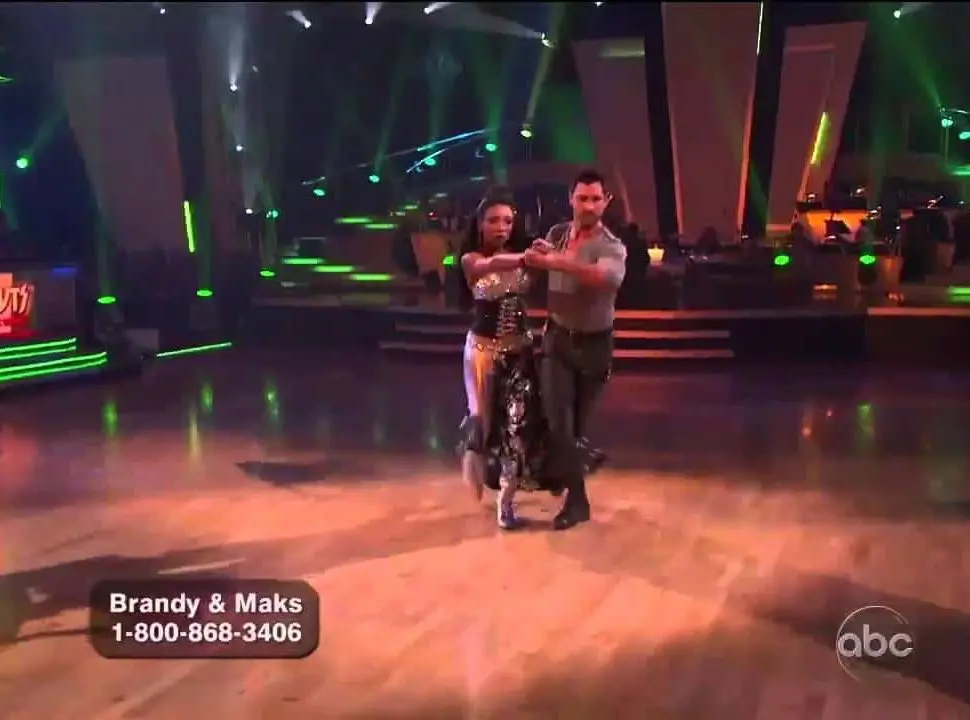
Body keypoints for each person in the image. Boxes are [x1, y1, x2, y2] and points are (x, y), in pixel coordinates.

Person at [523, 169, 626, 530]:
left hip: (595, 346)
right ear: (571, 199)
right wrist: (535, 259)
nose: (589, 206)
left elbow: (606, 278)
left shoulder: (612, 245)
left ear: (606, 202)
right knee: (559, 423)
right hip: (557, 340)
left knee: (574, 429)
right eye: (582, 198)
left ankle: (567, 476)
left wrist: (556, 262)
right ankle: (578, 494)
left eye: (596, 199)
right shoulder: (557, 235)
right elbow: (536, 272)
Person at [455, 187, 553, 530]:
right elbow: (491, 265)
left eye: (508, 221)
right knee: (482, 422)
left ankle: (506, 501)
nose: (502, 227)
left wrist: (544, 253)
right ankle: (476, 463)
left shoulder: (521, 254)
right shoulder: (470, 259)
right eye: (494, 220)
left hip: (520, 352)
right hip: (482, 353)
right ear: (480, 223)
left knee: (518, 427)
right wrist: (529, 257)